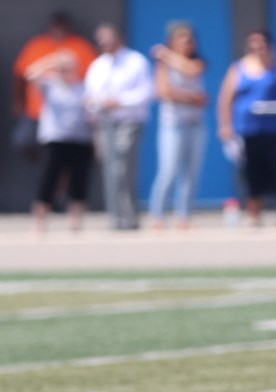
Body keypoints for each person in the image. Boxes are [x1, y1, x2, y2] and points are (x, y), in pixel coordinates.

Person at [216, 30, 276, 227]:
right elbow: (226, 98)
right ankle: (254, 215)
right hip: (247, 130)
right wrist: (225, 125)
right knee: (251, 174)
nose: (258, 48)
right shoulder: (238, 68)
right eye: (254, 44)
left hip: (275, 130)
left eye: (262, 43)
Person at [84, 23, 153, 231]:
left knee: (123, 169)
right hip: (105, 123)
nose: (105, 44)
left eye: (109, 39)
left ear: (119, 39)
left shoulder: (136, 61)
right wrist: (94, 105)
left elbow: (146, 93)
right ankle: (116, 218)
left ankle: (130, 217)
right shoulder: (98, 65)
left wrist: (120, 101)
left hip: (128, 121)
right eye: (101, 40)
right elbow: (89, 95)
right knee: (110, 170)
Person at [12, 11, 97, 162]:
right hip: (37, 110)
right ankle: (41, 162)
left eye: (62, 27)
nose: (59, 30)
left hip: (68, 113)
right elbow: (24, 74)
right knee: (24, 140)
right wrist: (54, 61)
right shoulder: (38, 44)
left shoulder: (79, 45)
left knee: (69, 156)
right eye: (56, 27)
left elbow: (93, 75)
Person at [147, 21, 208, 231]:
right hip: (173, 125)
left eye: (190, 38)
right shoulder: (163, 64)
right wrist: (192, 97)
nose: (187, 42)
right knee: (169, 171)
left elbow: (192, 71)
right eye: (182, 38)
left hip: (195, 124)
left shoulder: (196, 60)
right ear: (172, 41)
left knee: (191, 173)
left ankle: (185, 216)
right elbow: (164, 92)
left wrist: (167, 54)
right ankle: (158, 214)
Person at [25, 50, 93, 234]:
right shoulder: (50, 85)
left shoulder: (83, 88)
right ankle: (40, 222)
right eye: (62, 69)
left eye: (69, 68)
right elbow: (30, 74)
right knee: (48, 180)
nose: (65, 72)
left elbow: (92, 115)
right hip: (56, 139)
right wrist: (53, 62)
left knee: (78, 181)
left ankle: (75, 222)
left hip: (80, 140)